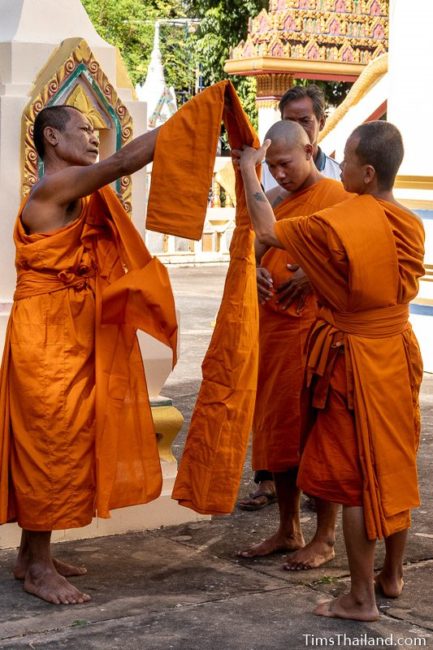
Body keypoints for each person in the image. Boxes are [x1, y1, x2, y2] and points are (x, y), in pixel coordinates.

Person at [234, 120, 424, 621]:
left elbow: (268, 229)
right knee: (395, 464)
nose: (336, 170)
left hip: (354, 360)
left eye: (346, 163)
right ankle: (392, 574)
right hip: (398, 351)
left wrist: (251, 173)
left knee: (358, 476)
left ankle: (360, 597)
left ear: (364, 172)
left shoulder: (345, 217)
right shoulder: (410, 221)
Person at [0, 105, 178, 605]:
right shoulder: (50, 190)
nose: (94, 137)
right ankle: (37, 567)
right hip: (46, 335)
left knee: (67, 439)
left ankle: (32, 555)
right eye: (83, 129)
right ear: (52, 137)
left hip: (73, 328)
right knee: (48, 442)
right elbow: (122, 165)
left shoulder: (81, 195)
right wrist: (187, 122)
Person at [237, 121, 350, 569]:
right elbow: (251, 245)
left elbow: (354, 257)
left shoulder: (338, 199)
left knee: (320, 436)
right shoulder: (278, 202)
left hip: (318, 334)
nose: (280, 174)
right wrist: (258, 272)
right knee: (279, 431)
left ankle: (324, 537)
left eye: (285, 164)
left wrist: (312, 273)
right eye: (272, 166)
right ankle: (288, 528)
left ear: (311, 150)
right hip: (276, 333)